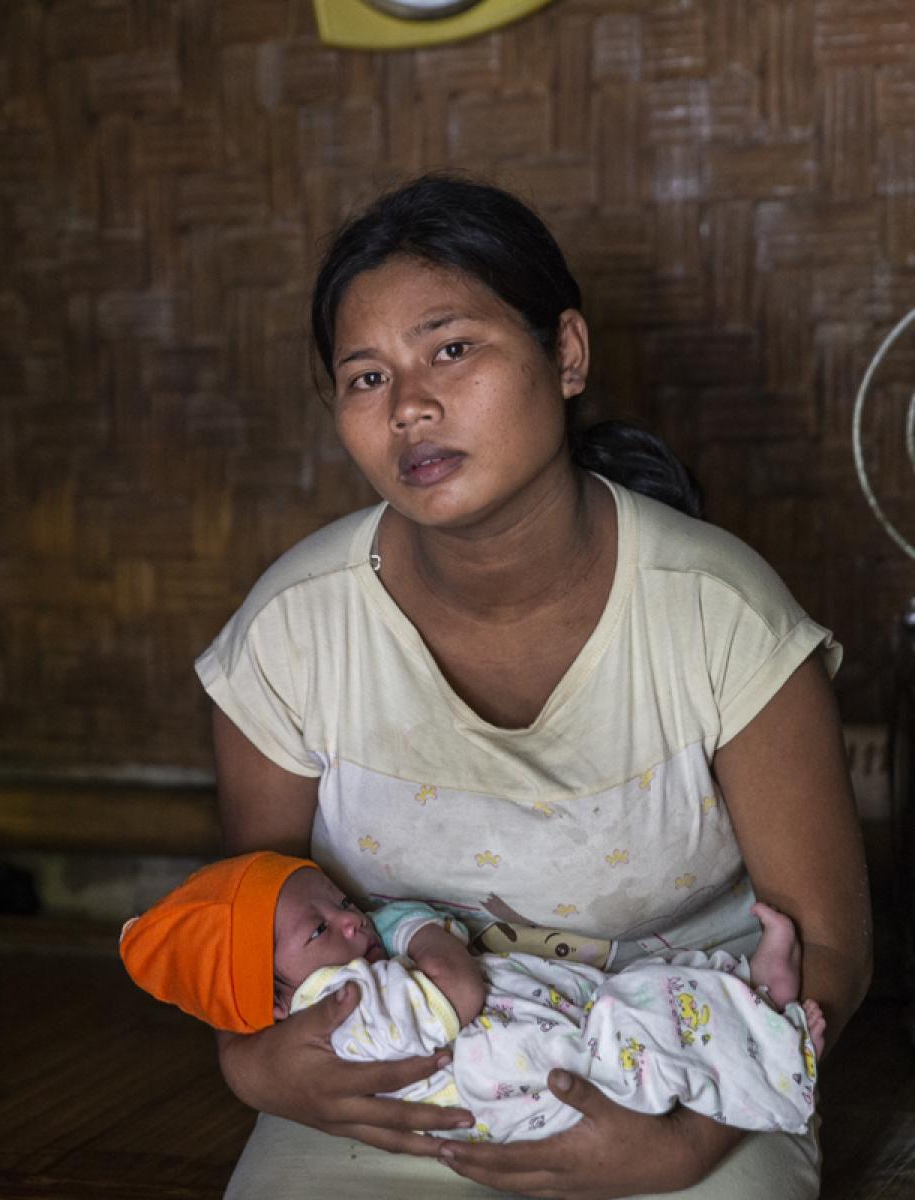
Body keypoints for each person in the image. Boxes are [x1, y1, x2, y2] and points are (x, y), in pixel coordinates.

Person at [195, 173, 871, 1199]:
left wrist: (688, 1141)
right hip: (409, 1076)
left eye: (452, 349)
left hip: (679, 1064)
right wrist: (252, 1064)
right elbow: (251, 922)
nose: (412, 406)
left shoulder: (717, 613)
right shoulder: (293, 633)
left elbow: (829, 944)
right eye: (366, 377)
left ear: (566, 354)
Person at [120, 852, 825, 1142]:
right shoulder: (337, 1013)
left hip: (514, 1031)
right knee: (630, 1034)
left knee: (635, 1003)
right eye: (320, 929)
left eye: (338, 901)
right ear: (274, 1002)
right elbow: (457, 990)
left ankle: (751, 993)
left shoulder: (327, 982)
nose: (351, 919)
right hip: (511, 1072)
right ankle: (774, 1046)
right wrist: (423, 930)